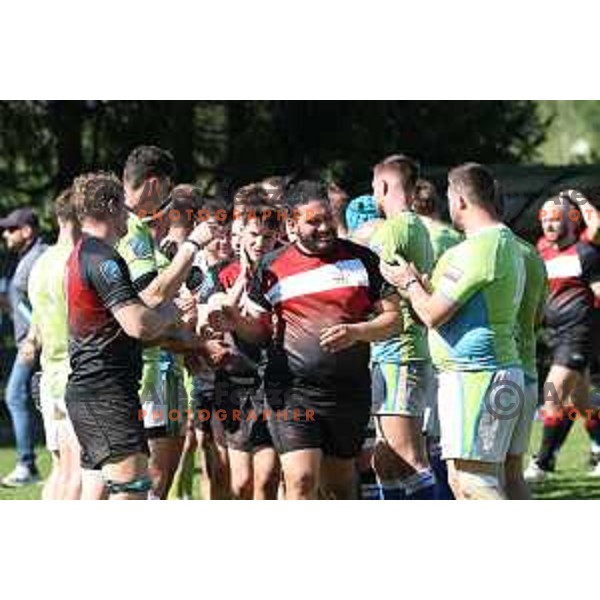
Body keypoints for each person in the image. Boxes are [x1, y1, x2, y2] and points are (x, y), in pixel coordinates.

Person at [219, 180, 401, 499]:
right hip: (292, 391)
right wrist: (236, 322)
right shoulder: (270, 266)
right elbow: (260, 332)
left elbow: (393, 320)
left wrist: (357, 331)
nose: (324, 228)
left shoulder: (363, 259)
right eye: (313, 221)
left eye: (327, 219)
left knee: (340, 487)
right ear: (291, 223)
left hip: (348, 393)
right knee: (301, 481)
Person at [380, 163, 525, 500]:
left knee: (477, 484)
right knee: (462, 482)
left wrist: (410, 282)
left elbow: (432, 313)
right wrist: (419, 285)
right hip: (481, 375)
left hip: (478, 376)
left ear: (459, 199)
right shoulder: (499, 242)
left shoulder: (480, 246)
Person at [64, 172, 182, 500]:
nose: (131, 216)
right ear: (113, 206)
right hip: (106, 395)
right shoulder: (102, 258)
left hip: (93, 394)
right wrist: (170, 316)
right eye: (126, 208)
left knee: (98, 498)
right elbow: (138, 325)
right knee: (131, 495)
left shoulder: (80, 253)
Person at [117, 147, 219, 498]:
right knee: (154, 483)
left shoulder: (127, 227)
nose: (165, 201)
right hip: (152, 371)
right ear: (153, 183)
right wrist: (192, 245)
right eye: (166, 189)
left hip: (147, 369)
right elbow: (153, 298)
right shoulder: (131, 231)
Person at [368, 155, 438, 500]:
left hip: (400, 351)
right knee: (386, 461)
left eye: (373, 188)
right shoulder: (416, 226)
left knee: (409, 458)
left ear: (382, 186)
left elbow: (365, 280)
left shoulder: (394, 228)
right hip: (392, 352)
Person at [525, 190, 600, 480]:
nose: (549, 225)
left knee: (552, 393)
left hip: (579, 333)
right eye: (544, 219)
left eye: (555, 219)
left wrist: (578, 199)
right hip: (555, 335)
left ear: (571, 221)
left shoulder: (586, 249)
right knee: (581, 403)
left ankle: (543, 463)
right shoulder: (541, 249)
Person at [212, 203, 282, 499]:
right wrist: (244, 275)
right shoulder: (224, 274)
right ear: (240, 235)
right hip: (235, 386)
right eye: (253, 235)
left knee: (266, 480)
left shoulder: (283, 273)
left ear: (277, 236)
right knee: (240, 484)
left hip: (274, 382)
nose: (259, 243)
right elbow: (220, 316)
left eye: (267, 237)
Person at [26, 188, 83, 499]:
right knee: (78, 475)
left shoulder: (40, 263)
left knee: (59, 471)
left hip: (49, 377)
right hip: (74, 377)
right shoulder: (74, 263)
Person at [0, 207, 47, 486]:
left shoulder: (38, 258)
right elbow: (22, 301)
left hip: (35, 343)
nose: (6, 234)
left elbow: (44, 303)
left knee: (15, 395)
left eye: (11, 229)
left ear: (27, 231)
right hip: (30, 342)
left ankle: (27, 465)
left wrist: (33, 336)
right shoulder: (26, 258)